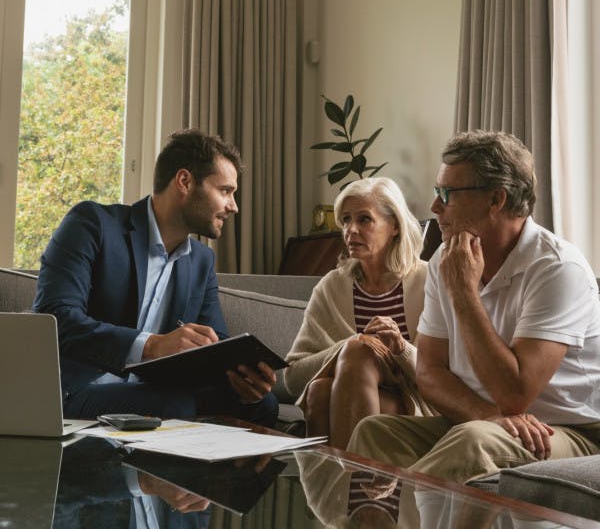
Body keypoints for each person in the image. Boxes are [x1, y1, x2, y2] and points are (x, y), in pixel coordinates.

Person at [347, 131, 600, 483]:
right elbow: (429, 372)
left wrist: (465, 292)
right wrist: (487, 414)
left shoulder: (557, 268)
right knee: (376, 431)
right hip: (488, 421)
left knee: (474, 441)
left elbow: (515, 394)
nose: (434, 207)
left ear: (496, 199)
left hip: (569, 432)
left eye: (446, 194)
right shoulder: (444, 259)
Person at [33, 130, 278, 426]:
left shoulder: (201, 260)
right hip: (81, 387)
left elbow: (217, 346)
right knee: (174, 405)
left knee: (263, 405)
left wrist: (244, 381)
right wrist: (152, 345)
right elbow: (55, 318)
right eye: (225, 191)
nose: (233, 206)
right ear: (184, 181)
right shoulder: (92, 224)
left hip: (159, 391)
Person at [284, 177, 433, 448]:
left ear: (395, 226)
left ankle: (342, 486)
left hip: (418, 404)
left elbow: (441, 375)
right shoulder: (332, 286)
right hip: (351, 397)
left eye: (364, 219)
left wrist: (400, 350)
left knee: (356, 354)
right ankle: (350, 485)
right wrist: (352, 345)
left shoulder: (429, 281)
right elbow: (293, 378)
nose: (351, 230)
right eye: (346, 220)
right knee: (320, 389)